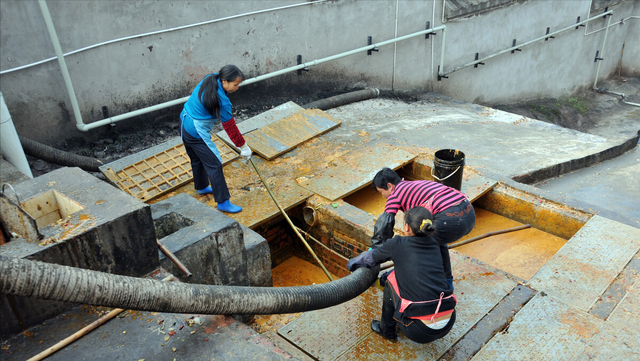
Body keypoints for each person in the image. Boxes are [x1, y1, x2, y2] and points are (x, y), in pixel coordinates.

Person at [347, 206, 456, 343]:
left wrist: (351, 264)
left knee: (390, 281)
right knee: (394, 275)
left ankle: (387, 329)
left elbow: (369, 259)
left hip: (419, 331)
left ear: (407, 227)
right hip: (448, 321)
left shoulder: (398, 243)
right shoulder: (435, 244)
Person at [370, 167, 475, 289]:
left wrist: (373, 252)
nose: (383, 196)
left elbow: (384, 225)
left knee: (415, 246)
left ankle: (395, 278)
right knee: (436, 241)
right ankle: (447, 283)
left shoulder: (396, 194)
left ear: (390, 186)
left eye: (381, 192)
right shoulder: (414, 184)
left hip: (450, 219)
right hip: (468, 213)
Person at [180, 65, 252, 213]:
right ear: (224, 81)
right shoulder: (223, 101)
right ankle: (223, 202)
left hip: (183, 120)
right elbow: (231, 129)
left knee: (197, 158)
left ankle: (201, 187)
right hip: (195, 131)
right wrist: (244, 147)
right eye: (235, 85)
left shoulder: (211, 78)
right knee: (214, 164)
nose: (237, 88)